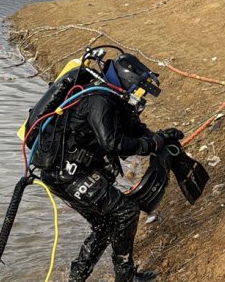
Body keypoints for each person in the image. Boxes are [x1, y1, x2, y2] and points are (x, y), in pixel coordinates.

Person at [37, 53, 184, 281]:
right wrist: (148, 144)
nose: (139, 94)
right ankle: (125, 276)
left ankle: (77, 277)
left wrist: (160, 138)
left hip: (70, 170)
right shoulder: (100, 100)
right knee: (126, 212)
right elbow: (112, 143)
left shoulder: (113, 98)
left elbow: (133, 129)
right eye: (138, 88)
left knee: (105, 223)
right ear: (126, 80)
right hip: (66, 173)